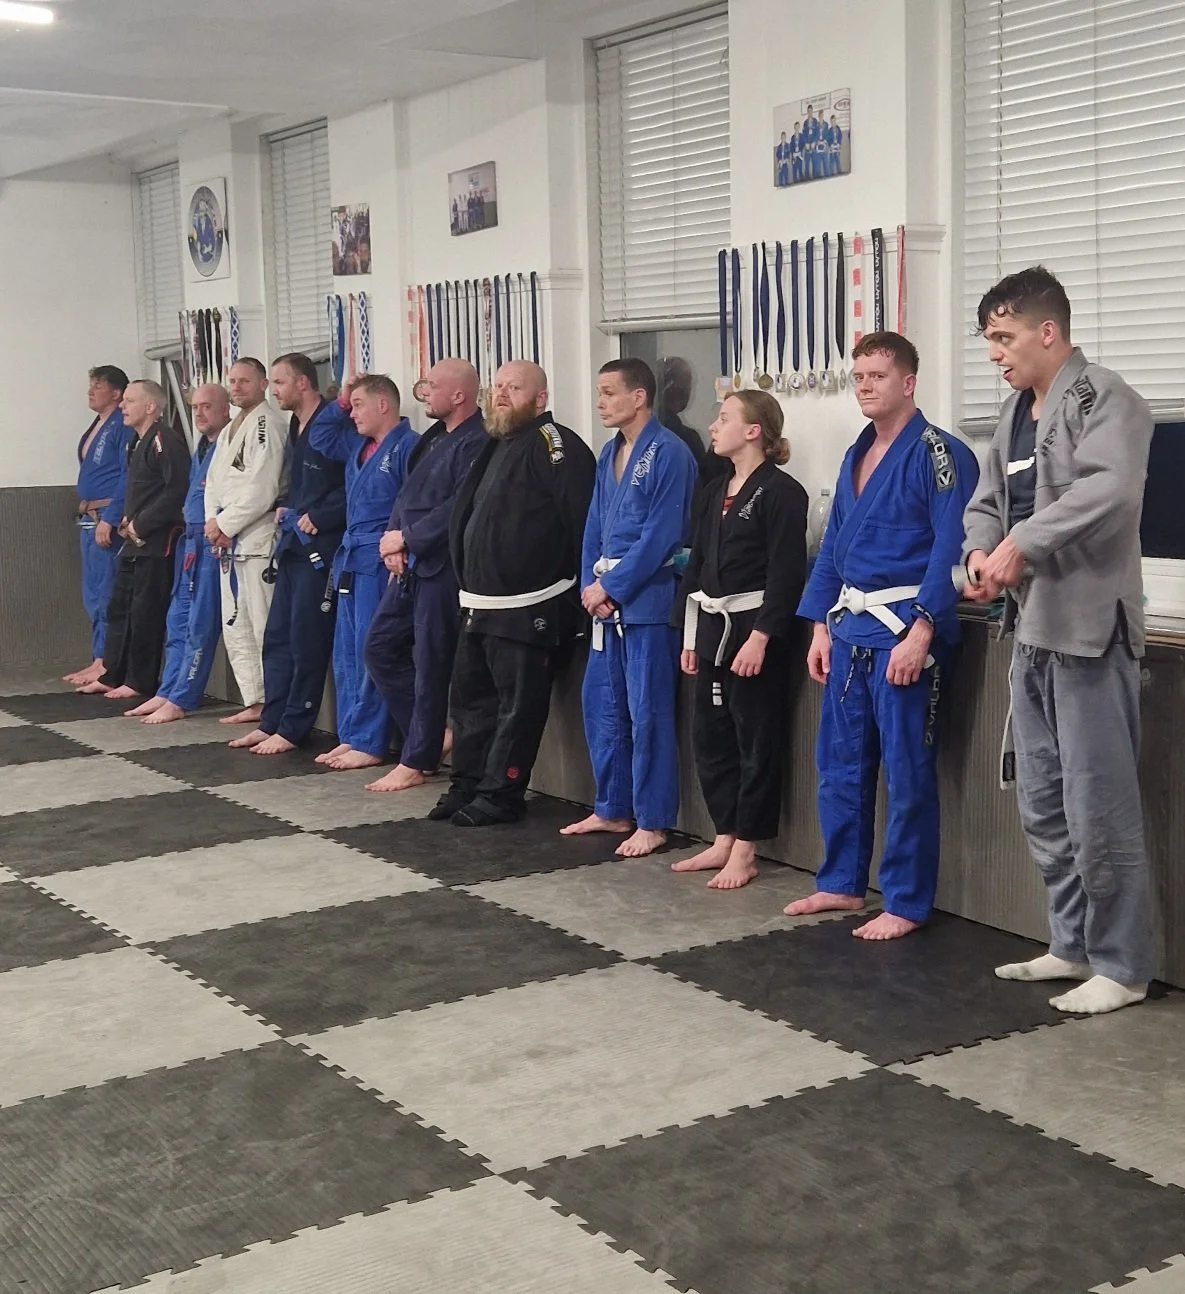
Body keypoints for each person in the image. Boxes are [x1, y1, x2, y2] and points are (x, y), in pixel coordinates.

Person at [962, 266, 1155, 1015]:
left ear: (1048, 332)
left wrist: (1023, 544)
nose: (994, 353)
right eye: (988, 339)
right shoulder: (1012, 413)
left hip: (1089, 633)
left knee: (1097, 804)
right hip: (1029, 632)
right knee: (1043, 801)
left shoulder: (1105, 398)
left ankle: (1123, 965)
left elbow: (1109, 490)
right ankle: (1071, 944)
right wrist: (981, 553)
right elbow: (986, 503)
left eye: (1003, 337)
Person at [786, 331, 979, 939]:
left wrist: (923, 630)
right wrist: (819, 625)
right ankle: (842, 882)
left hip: (904, 632)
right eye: (860, 376)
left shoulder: (942, 454)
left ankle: (905, 901)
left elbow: (951, 548)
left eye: (878, 376)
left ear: (909, 382)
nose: (865, 386)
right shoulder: (857, 451)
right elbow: (833, 548)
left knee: (907, 771)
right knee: (839, 765)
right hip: (850, 630)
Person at [429, 360, 595, 826]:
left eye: (513, 387)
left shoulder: (557, 446)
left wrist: (572, 599)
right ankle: (466, 784)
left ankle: (502, 793)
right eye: (497, 385)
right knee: (470, 706)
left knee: (517, 709)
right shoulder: (496, 444)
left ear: (540, 399)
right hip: (478, 605)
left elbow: (581, 524)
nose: (500, 394)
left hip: (530, 607)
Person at [560, 359, 697, 858]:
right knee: (604, 707)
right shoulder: (608, 452)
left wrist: (613, 587)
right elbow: (593, 524)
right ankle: (613, 806)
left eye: (609, 392)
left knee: (648, 713)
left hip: (648, 601)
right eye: (599, 393)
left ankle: (654, 820)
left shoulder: (671, 452)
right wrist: (589, 585)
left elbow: (663, 534)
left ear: (639, 397)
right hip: (605, 598)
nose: (600, 402)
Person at [672, 391, 808, 889]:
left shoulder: (782, 492)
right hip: (712, 626)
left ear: (753, 431)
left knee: (755, 740)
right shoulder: (714, 490)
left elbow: (786, 574)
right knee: (711, 738)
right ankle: (724, 834)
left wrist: (762, 637)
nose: (713, 425)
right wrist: (689, 635)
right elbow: (697, 565)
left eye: (724, 417)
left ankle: (747, 848)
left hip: (754, 630)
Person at [364, 359, 487, 793]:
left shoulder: (478, 441)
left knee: (433, 663)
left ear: (459, 395)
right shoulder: (433, 437)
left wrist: (409, 539)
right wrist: (393, 540)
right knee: (379, 647)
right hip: (409, 563)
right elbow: (405, 495)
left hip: (443, 568)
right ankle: (432, 737)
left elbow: (460, 506)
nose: (424, 392)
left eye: (432, 385)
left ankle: (417, 758)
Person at [230, 354, 346, 756]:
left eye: (279, 382)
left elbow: (353, 483)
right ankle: (272, 720)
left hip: (322, 548)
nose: (274, 390)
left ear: (302, 383)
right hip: (293, 544)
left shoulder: (333, 424)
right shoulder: (297, 425)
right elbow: (300, 484)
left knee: (306, 640)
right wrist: (287, 505)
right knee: (277, 636)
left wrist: (322, 516)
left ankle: (295, 727)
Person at [308, 374, 417, 771]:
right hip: (351, 555)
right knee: (346, 650)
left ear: (383, 405)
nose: (351, 414)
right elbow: (319, 437)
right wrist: (340, 400)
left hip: (380, 556)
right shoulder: (357, 444)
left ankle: (371, 740)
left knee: (371, 648)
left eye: (358, 405)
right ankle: (353, 733)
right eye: (350, 407)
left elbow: (414, 502)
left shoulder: (408, 445)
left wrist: (402, 548)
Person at [78, 380, 191, 701]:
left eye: (129, 401)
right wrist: (128, 518)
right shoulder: (136, 442)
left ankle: (140, 681)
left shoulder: (165, 440)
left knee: (145, 612)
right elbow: (139, 489)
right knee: (120, 607)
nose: (122, 407)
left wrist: (142, 522)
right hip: (134, 538)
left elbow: (176, 490)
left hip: (157, 541)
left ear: (151, 406)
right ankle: (114, 673)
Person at [126, 384, 231, 724]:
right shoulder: (203, 447)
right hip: (190, 542)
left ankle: (183, 696)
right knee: (177, 619)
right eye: (195, 407)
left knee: (200, 624)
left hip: (212, 541)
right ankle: (168, 689)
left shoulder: (229, 443)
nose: (199, 413)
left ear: (225, 409)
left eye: (207, 406)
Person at [204, 357, 289, 726]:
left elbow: (263, 487)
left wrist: (225, 524)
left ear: (263, 384)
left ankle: (273, 701)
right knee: (235, 624)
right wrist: (213, 522)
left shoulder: (268, 424)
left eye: (245, 381)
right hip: (229, 540)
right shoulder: (229, 430)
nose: (236, 387)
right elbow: (213, 483)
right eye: (233, 381)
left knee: (262, 624)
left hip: (256, 539)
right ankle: (253, 699)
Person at [66, 365, 133, 686]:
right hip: (89, 517)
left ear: (117, 393)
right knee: (92, 593)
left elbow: (126, 475)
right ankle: (98, 658)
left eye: (98, 386)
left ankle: (108, 661)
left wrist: (111, 517)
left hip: (105, 517)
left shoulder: (122, 425)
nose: (90, 391)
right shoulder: (99, 424)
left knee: (107, 591)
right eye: (90, 385)